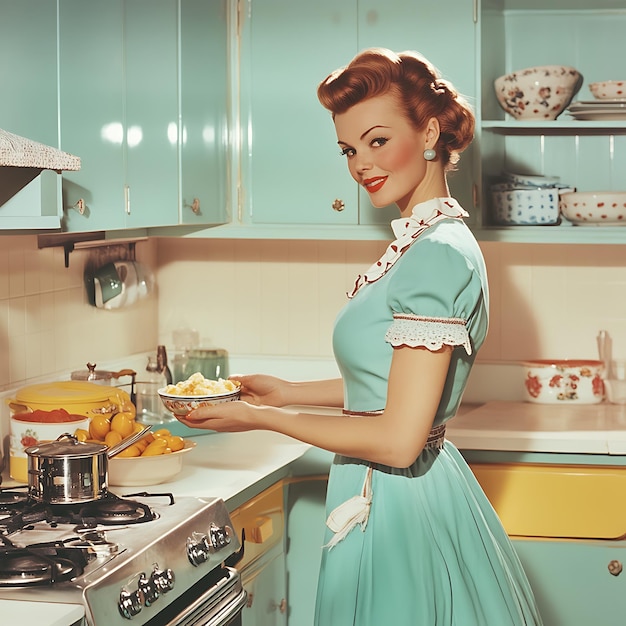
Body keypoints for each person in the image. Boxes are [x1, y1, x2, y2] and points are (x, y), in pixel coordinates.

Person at [180, 47, 543, 625]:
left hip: (401, 502)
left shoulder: (437, 256)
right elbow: (386, 383)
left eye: (377, 141)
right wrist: (286, 393)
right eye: (350, 149)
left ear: (429, 134)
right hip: (385, 489)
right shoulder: (425, 243)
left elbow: (399, 440)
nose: (360, 165)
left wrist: (260, 419)